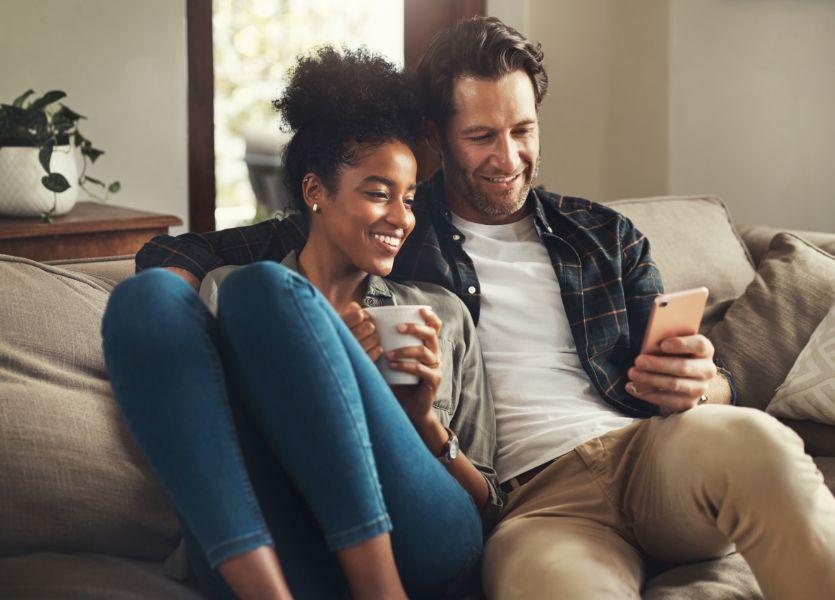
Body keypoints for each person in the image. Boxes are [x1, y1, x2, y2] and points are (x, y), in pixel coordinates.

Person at [136, 17, 835, 599]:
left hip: (651, 452)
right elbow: (174, 260)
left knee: (759, 442)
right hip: (531, 507)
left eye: (522, 131)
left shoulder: (601, 234)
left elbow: (695, 373)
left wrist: (704, 381)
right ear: (436, 138)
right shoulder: (391, 222)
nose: (508, 157)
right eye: (481, 137)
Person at [103, 47, 501, 600]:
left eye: (408, 199)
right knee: (144, 299)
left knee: (264, 290)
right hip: (286, 540)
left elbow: (489, 505)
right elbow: (225, 435)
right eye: (378, 193)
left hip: (425, 537)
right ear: (315, 192)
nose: (401, 218)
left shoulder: (442, 312)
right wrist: (322, 369)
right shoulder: (227, 291)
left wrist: (417, 419)